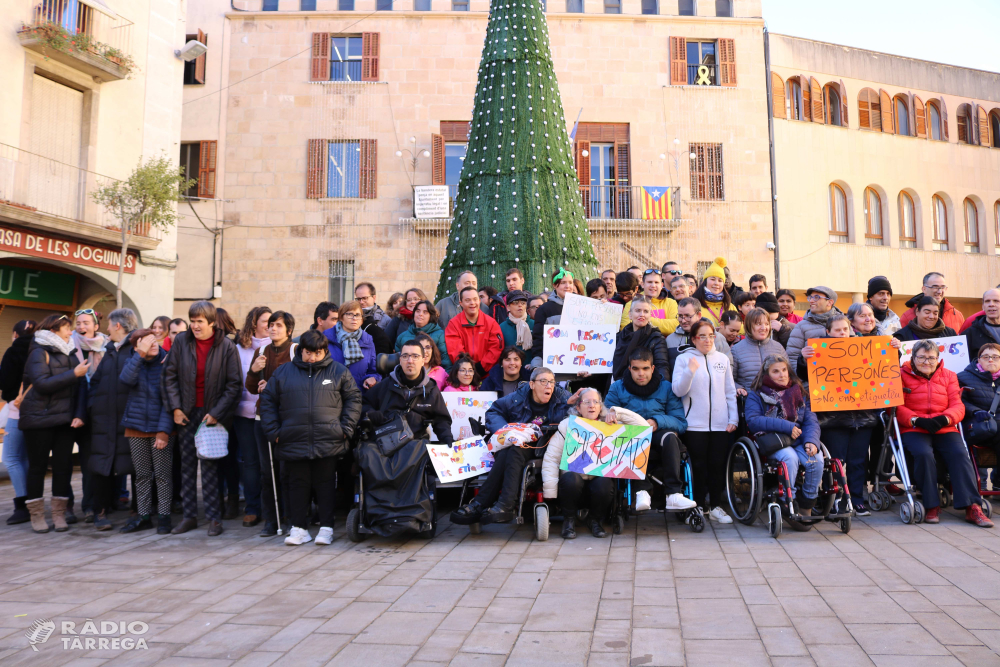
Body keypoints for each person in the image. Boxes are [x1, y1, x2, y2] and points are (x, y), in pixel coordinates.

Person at [260, 329, 362, 545]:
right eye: (308, 353)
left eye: (317, 353)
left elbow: (353, 399)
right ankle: (298, 528)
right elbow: (267, 402)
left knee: (325, 485)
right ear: (301, 351)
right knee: (297, 484)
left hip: (329, 439)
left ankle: (326, 528)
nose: (312, 358)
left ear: (324, 351)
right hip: (292, 439)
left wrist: (345, 429)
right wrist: (274, 433)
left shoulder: (338, 371)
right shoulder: (283, 372)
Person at [162, 301, 243, 536]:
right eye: (192, 321)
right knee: (186, 467)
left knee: (210, 467)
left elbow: (234, 385)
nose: (195, 326)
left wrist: (217, 413)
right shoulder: (181, 342)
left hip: (212, 416)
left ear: (211, 322)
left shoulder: (226, 346)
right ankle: (189, 517)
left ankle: (214, 518)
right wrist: (176, 408)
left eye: (199, 321)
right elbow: (169, 377)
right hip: (186, 414)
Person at [451, 367, 570, 526]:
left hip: (545, 446)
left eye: (551, 382)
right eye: (543, 381)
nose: (549, 385)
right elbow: (494, 412)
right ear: (532, 384)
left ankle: (489, 503)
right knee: (509, 449)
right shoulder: (517, 397)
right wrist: (506, 431)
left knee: (513, 450)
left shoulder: (563, 399)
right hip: (517, 442)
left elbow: (578, 415)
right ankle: (496, 505)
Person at [898, 340, 992, 526]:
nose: (927, 362)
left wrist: (945, 419)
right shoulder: (900, 376)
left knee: (960, 454)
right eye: (922, 357)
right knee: (923, 454)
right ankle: (931, 504)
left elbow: (958, 405)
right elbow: (895, 406)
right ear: (913, 357)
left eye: (931, 358)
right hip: (914, 427)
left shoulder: (949, 375)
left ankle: (972, 506)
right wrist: (916, 419)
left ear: (938, 358)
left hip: (944, 426)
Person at [800, 313, 878, 515]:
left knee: (858, 461)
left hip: (863, 417)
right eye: (837, 330)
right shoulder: (817, 350)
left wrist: (894, 349)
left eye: (845, 329)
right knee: (834, 461)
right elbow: (801, 375)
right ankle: (832, 500)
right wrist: (803, 359)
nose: (842, 333)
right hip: (832, 419)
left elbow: (883, 368)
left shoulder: (864, 346)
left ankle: (857, 500)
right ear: (828, 332)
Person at [21, 314, 88, 533]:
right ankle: (37, 515)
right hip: (39, 420)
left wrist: (79, 414)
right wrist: (73, 374)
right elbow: (41, 384)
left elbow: (80, 388)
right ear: (53, 331)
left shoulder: (70, 353)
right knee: (37, 468)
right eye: (67, 328)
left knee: (63, 468)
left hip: (64, 420)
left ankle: (59, 514)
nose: (71, 332)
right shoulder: (38, 352)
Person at [605, 348, 694, 514]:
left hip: (659, 435)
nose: (641, 374)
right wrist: (609, 417)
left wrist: (657, 421)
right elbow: (606, 413)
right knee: (635, 436)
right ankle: (641, 491)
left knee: (670, 437)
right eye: (636, 369)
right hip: (630, 440)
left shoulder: (666, 387)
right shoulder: (617, 388)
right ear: (629, 369)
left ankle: (674, 494)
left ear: (652, 368)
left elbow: (681, 422)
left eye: (645, 368)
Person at [544, 387, 636, 538]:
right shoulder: (567, 425)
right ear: (578, 407)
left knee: (605, 483)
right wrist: (550, 492)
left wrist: (618, 414)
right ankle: (569, 521)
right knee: (570, 479)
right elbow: (551, 459)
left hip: (597, 487)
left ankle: (595, 521)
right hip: (571, 486)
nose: (591, 405)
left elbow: (642, 426)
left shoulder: (611, 426)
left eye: (596, 402)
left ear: (601, 407)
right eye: (586, 402)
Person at [672, 319, 738, 524]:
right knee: (698, 465)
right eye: (702, 336)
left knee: (717, 465)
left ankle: (716, 506)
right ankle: (698, 505)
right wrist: (690, 371)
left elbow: (729, 391)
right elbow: (678, 390)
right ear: (693, 339)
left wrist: (733, 417)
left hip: (720, 424)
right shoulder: (684, 359)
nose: (708, 340)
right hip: (694, 425)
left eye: (711, 335)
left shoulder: (722, 359)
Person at [745, 354, 824, 516]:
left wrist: (812, 441)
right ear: (767, 374)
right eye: (776, 371)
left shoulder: (799, 392)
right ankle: (789, 501)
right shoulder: (756, 394)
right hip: (773, 439)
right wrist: (787, 426)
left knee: (816, 459)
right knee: (790, 458)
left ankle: (807, 504)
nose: (781, 375)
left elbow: (810, 421)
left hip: (799, 439)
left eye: (784, 370)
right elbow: (753, 421)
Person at [245, 310, 297, 537]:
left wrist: (274, 387)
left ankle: (291, 517)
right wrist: (253, 371)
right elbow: (250, 387)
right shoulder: (261, 350)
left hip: (288, 418)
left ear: (289, 330)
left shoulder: (295, 351)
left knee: (288, 469)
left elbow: (301, 385)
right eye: (271, 325)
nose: (273, 329)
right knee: (267, 471)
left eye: (278, 325)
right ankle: (271, 519)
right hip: (263, 417)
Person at [87, 308, 139, 531]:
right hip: (105, 421)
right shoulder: (109, 351)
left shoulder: (138, 349)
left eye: (109, 325)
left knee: (138, 468)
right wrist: (93, 407)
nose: (106, 329)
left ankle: (138, 511)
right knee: (102, 466)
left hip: (131, 421)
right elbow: (95, 383)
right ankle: (100, 512)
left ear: (118, 326)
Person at [118, 327, 174, 534]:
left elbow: (170, 400)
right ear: (136, 346)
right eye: (146, 342)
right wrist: (139, 355)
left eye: (154, 341)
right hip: (136, 427)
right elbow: (125, 381)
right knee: (141, 475)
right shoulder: (133, 362)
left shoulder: (168, 362)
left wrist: (163, 431)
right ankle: (143, 517)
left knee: (162, 475)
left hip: (162, 428)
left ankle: (164, 517)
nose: (152, 345)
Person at [362, 338, 452, 442]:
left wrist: (447, 440)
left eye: (415, 356)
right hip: (386, 443)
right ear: (400, 360)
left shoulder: (430, 388)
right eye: (405, 356)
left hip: (416, 445)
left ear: (423, 361)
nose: (410, 361)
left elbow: (441, 420)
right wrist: (371, 413)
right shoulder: (386, 384)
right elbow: (364, 404)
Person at [231, 306, 272, 526]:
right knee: (250, 462)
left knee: (270, 463)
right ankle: (252, 508)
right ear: (254, 323)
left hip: (269, 414)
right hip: (244, 413)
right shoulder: (239, 349)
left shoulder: (277, 348)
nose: (269, 325)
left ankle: (271, 509)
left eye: (272, 321)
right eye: (265, 321)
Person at [70, 307, 108, 523]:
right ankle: (67, 507)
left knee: (89, 462)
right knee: (65, 462)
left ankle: (91, 505)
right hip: (72, 409)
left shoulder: (106, 347)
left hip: (97, 411)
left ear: (96, 326)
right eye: (78, 323)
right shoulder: (68, 346)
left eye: (86, 323)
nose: (81, 327)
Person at [0, 319, 35, 525]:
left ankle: (22, 505)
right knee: (25, 458)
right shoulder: (40, 350)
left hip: (17, 408)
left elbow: (3, 382)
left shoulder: (13, 352)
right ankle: (32, 501)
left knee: (12, 458)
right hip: (38, 410)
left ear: (15, 334)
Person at [958, 342, 1000, 484]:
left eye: (995, 357)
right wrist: (975, 411)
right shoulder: (963, 377)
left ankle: (997, 482)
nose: (990, 360)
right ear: (978, 359)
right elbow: (958, 401)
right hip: (978, 426)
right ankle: (980, 485)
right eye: (986, 356)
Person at [446, 286, 504, 375]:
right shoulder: (454, 324)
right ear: (461, 303)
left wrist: (481, 368)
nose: (472, 303)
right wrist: (468, 369)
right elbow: (455, 351)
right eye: (467, 300)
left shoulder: (491, 323)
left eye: (475, 299)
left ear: (479, 301)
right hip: (464, 374)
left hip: (488, 374)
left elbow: (496, 349)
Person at [665, 298, 732, 374]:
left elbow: (728, 366)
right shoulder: (670, 339)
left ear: (699, 315)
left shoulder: (717, 337)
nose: (683, 320)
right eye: (680, 316)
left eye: (687, 316)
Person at [324, 301, 380, 391]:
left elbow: (373, 371)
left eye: (357, 315)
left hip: (358, 394)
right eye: (350, 314)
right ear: (341, 317)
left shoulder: (367, 340)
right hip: (331, 394)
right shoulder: (326, 338)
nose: (354, 318)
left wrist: (372, 378)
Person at [613, 297, 669, 381]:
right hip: (618, 386)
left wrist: (661, 389)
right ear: (630, 314)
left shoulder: (656, 338)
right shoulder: (619, 337)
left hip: (646, 387)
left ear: (650, 316)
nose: (642, 314)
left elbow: (662, 366)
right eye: (638, 310)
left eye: (646, 311)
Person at [731, 308, 785, 394]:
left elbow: (789, 376)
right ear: (749, 326)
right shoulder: (736, 349)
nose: (763, 328)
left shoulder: (778, 347)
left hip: (776, 402)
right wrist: (738, 388)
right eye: (758, 324)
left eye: (767, 324)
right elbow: (730, 379)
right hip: (749, 401)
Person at [786, 285, 840, 371]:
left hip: (842, 381)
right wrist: (803, 381)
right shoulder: (801, 327)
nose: (811, 301)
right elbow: (792, 358)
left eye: (816, 297)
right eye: (810, 297)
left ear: (829, 302)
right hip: (811, 382)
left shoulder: (844, 324)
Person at [530, 269, 575, 366]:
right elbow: (538, 341)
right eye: (563, 283)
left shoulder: (582, 306)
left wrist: (603, 305)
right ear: (555, 285)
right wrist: (537, 365)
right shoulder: (544, 309)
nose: (567, 286)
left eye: (570, 282)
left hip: (579, 365)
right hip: (555, 365)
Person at [899, 272, 965, 332]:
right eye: (935, 287)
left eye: (942, 287)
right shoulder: (907, 316)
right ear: (924, 289)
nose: (939, 291)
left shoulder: (957, 315)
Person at [395, 299, 451, 370]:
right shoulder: (402, 336)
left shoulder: (440, 335)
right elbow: (398, 361)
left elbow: (446, 362)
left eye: (425, 312)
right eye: (418, 311)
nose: (420, 314)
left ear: (431, 316)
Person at [621, 269, 678, 335]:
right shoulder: (631, 304)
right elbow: (625, 328)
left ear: (662, 285)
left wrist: (643, 320)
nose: (653, 285)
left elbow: (676, 326)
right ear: (642, 284)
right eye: (649, 282)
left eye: (656, 282)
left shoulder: (671, 303)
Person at [692, 257, 737, 328]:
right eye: (713, 279)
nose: (716, 283)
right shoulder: (693, 305)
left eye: (720, 281)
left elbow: (741, 331)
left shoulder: (730, 306)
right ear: (705, 282)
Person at [354, 284, 394, 354]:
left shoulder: (385, 319)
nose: (361, 302)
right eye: (358, 299)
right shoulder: (352, 317)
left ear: (374, 298)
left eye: (364, 298)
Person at [962, 289, 1000, 360]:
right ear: (983, 306)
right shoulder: (969, 334)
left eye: (996, 301)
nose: (991, 304)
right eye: (987, 301)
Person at [499, 290, 533, 354]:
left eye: (523, 303)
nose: (520, 305)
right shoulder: (502, 327)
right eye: (515, 302)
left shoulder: (534, 324)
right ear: (508, 307)